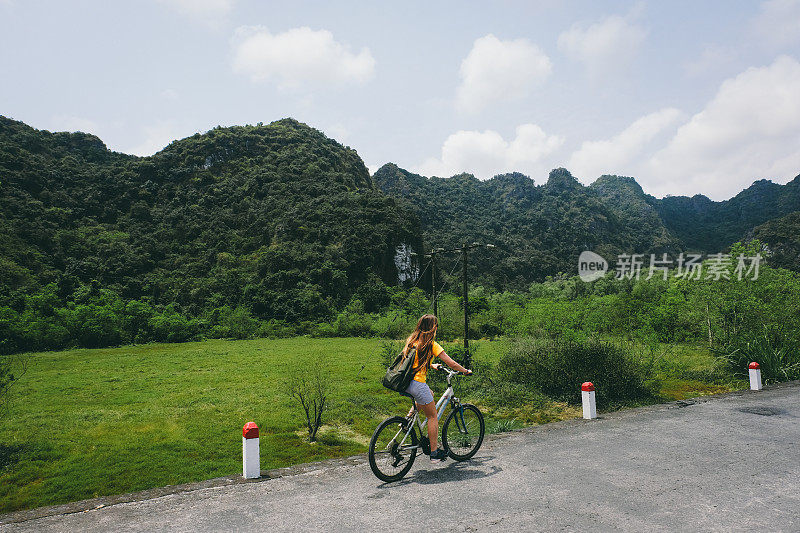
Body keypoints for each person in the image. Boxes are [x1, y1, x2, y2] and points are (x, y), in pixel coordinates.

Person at [401, 314, 471, 462]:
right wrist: (465, 371)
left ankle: (407, 421)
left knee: (429, 394)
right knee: (432, 416)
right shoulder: (431, 344)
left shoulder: (412, 340)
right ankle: (434, 453)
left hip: (405, 382)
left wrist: (431, 365)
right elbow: (451, 363)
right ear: (433, 328)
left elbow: (412, 361)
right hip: (418, 384)